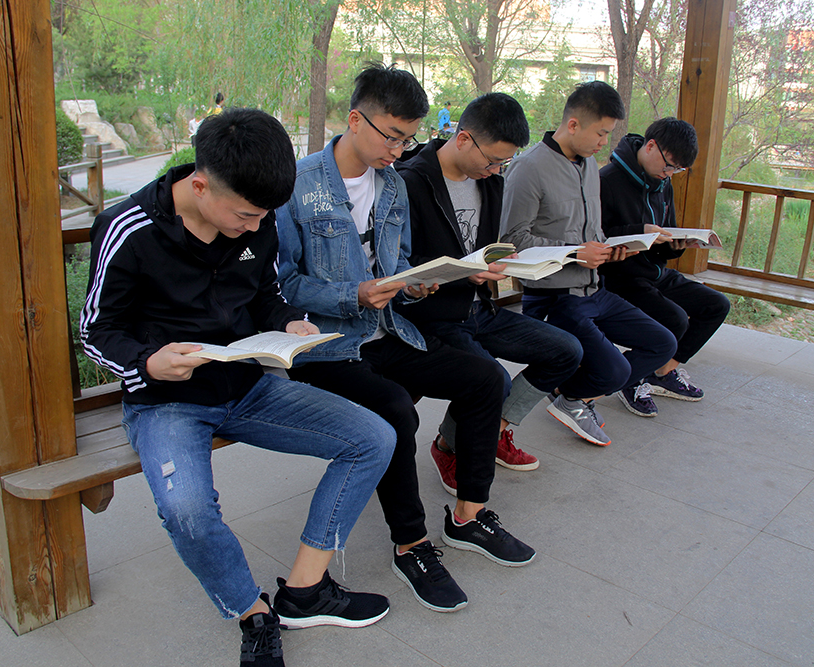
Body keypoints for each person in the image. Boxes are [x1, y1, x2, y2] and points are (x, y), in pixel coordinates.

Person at [80, 108, 396, 667]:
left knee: (374, 437)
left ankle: (304, 591)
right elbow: (95, 331)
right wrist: (148, 362)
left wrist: (289, 321)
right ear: (200, 185)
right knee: (188, 511)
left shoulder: (259, 219)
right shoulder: (128, 228)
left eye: (263, 216)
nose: (255, 227)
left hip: (249, 385)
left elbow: (266, 295)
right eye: (245, 215)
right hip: (166, 401)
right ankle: (252, 612)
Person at [276, 64, 536, 616]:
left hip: (389, 328)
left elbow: (396, 267)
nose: (398, 151)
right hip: (325, 343)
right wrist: (353, 294)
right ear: (355, 120)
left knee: (485, 379)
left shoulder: (392, 185)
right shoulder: (298, 186)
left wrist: (414, 284)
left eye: (408, 139)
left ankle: (468, 516)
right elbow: (285, 284)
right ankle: (412, 544)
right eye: (391, 136)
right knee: (395, 408)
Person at [396, 92, 583, 489]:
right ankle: (456, 447)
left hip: (480, 309)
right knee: (494, 380)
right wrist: (466, 273)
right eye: (493, 160)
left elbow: (484, 250)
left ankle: (471, 435)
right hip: (432, 316)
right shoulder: (409, 182)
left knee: (566, 351)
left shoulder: (491, 184)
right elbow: (399, 265)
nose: (497, 169)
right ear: (464, 139)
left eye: (504, 163)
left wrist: (503, 263)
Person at [499, 81, 677, 443]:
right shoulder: (529, 167)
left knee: (663, 342)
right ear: (573, 124)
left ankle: (572, 395)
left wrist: (618, 246)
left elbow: (593, 233)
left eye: (609, 134)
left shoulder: (590, 165)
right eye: (601, 133)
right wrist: (576, 252)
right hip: (554, 297)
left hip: (595, 289)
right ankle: (573, 396)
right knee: (615, 370)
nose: (604, 142)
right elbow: (512, 242)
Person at [599, 117, 730, 410]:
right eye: (669, 165)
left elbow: (666, 233)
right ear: (650, 146)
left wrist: (677, 244)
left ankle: (662, 371)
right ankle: (631, 379)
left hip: (655, 273)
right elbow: (595, 236)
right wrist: (638, 232)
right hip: (621, 277)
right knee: (675, 319)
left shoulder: (663, 183)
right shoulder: (607, 181)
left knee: (716, 305)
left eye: (676, 170)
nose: (669, 174)